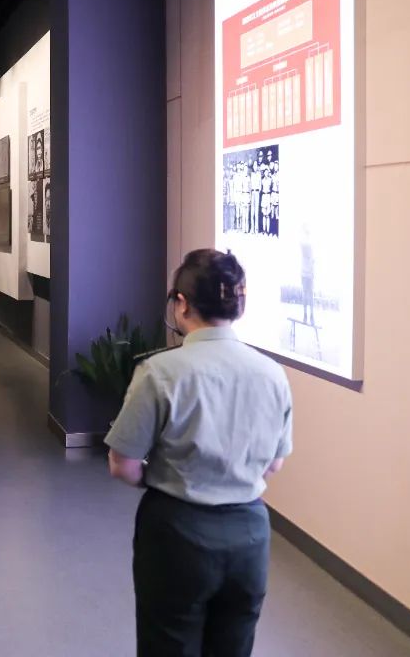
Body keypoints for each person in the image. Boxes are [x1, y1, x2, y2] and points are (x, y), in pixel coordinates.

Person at [105, 249, 292, 656]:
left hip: (177, 533)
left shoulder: (161, 372)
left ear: (181, 303)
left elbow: (123, 465)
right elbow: (275, 463)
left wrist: (165, 475)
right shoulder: (272, 374)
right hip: (249, 537)